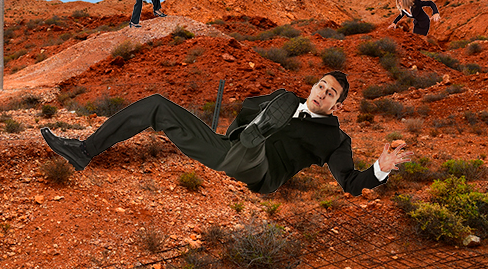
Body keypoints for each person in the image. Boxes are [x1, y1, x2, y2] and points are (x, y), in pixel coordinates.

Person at [41, 71, 412, 196]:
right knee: (156, 104)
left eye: (331, 94)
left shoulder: (336, 139)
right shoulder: (284, 99)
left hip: (262, 169)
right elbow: (247, 105)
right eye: (320, 85)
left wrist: (380, 168)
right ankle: (84, 151)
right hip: (228, 149)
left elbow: (349, 182)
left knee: (259, 136)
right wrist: (237, 129)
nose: (322, 93)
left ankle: (256, 136)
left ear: (338, 106)